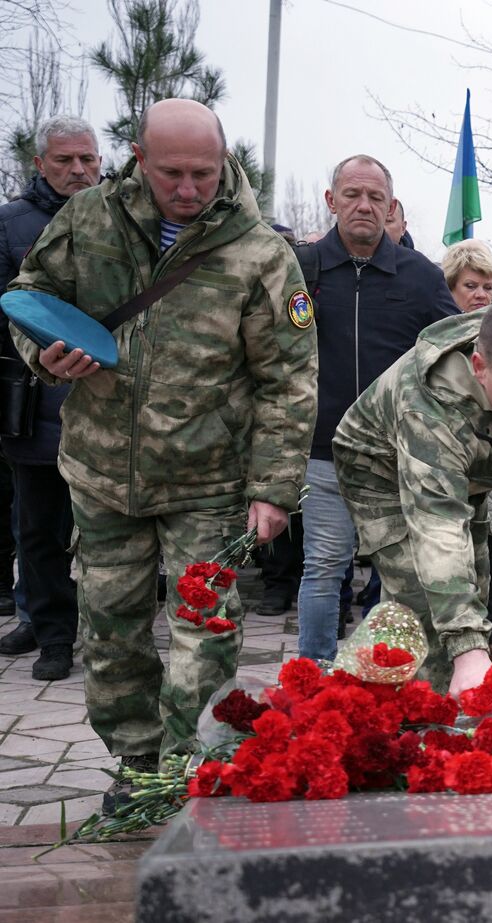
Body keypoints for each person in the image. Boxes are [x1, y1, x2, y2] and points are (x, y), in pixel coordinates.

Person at [7, 98, 317, 799]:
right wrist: (42, 352)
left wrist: (273, 487)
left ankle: (187, 767)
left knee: (204, 628)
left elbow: (290, 377)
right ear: (138, 158)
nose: (187, 188)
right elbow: (30, 295)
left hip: (209, 480)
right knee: (110, 627)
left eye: (202, 174)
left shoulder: (260, 251)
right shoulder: (87, 219)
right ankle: (137, 760)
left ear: (223, 161)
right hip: (101, 470)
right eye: (171, 172)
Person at [333, 295, 492, 694]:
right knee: (423, 603)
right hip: (380, 474)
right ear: (480, 368)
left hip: (466, 471)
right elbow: (439, 529)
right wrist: (467, 649)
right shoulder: (431, 411)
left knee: (475, 585)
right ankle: (417, 717)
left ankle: (455, 692)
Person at [292, 154, 457, 663]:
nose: (364, 206)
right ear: (331, 200)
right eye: (352, 195)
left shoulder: (421, 276)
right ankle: (313, 676)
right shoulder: (300, 268)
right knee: (324, 566)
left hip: (396, 455)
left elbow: (453, 354)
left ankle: (386, 678)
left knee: (399, 574)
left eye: (375, 198)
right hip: (324, 452)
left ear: (390, 206)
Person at [0, 116, 101, 679]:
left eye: (87, 159)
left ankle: (88, 623)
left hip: (105, 406)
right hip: (34, 401)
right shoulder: (11, 225)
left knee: (96, 529)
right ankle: (52, 632)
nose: (78, 170)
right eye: (64, 161)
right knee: (36, 527)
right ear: (41, 164)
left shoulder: (120, 221)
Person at [441, 240, 492, 646]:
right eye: (471, 286)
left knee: (489, 572)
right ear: (451, 288)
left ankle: (487, 650)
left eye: (488, 287)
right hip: (442, 480)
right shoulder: (432, 342)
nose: (481, 295)